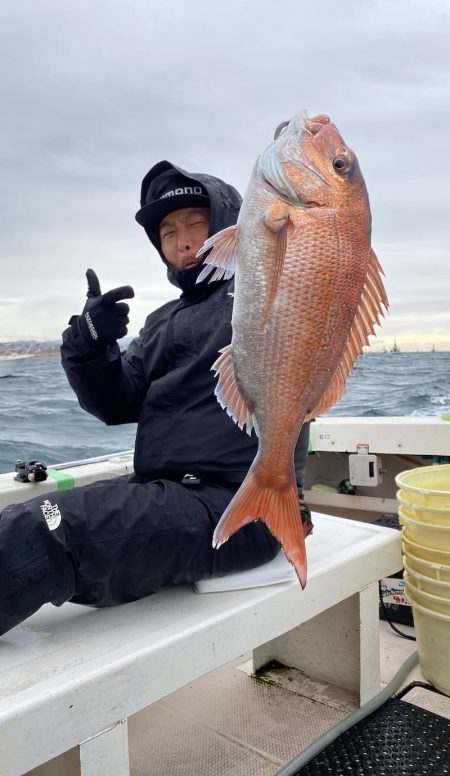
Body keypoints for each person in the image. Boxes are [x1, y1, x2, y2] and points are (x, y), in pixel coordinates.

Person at [0, 162, 312, 636]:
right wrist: (89, 346)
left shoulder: (268, 290)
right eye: (168, 231)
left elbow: (313, 261)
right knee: (33, 515)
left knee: (39, 530)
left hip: (242, 506)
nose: (183, 240)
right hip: (163, 492)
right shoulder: (162, 320)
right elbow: (115, 403)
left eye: (195, 222)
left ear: (232, 223)